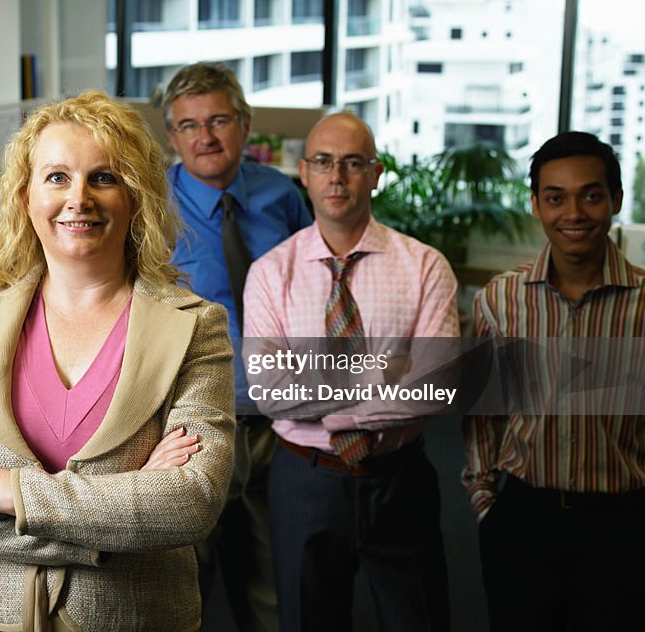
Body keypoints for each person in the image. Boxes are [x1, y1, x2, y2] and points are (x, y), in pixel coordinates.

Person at [0, 90, 236, 632]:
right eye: (56, 177)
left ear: (135, 197)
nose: (78, 197)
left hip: (137, 619)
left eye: (104, 177)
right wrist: (121, 514)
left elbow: (189, 503)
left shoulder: (194, 327)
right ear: (24, 196)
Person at [243, 112, 457, 632]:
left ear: (376, 173)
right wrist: (384, 376)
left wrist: (323, 397)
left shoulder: (425, 266)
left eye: (352, 162)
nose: (336, 175)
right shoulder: (271, 272)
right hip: (304, 483)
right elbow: (269, 391)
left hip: (399, 479)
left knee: (420, 620)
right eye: (323, 162)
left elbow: (436, 389)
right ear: (305, 173)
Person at [462, 132, 645, 631]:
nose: (574, 213)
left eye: (591, 195)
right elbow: (483, 412)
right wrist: (485, 500)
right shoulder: (499, 300)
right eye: (555, 197)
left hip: (622, 524)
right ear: (536, 204)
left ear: (615, 200)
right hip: (523, 518)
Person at [163, 61, 311, 632]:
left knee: (272, 576)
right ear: (173, 137)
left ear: (245, 125)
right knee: (185, 577)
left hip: (278, 419)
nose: (206, 136)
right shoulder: (151, 209)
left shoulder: (283, 196)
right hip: (194, 426)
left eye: (219, 119)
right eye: (190, 125)